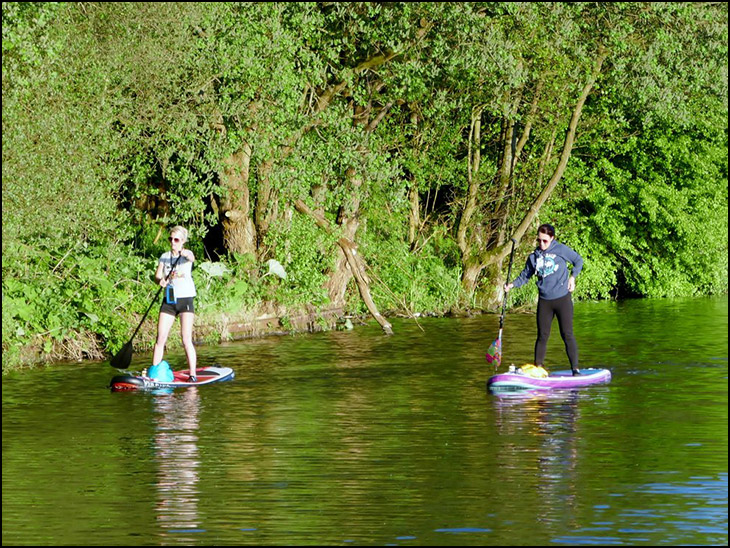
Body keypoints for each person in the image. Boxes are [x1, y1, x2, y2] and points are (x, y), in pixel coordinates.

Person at [504, 224, 584, 375]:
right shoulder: (534, 256)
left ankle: (575, 369)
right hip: (545, 301)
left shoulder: (560, 250)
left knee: (567, 334)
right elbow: (525, 275)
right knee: (542, 335)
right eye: (539, 240)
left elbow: (578, 260)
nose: (542, 244)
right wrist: (512, 285)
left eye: (545, 241)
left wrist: (573, 277)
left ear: (552, 238)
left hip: (562, 299)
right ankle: (537, 369)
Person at [152, 226, 197, 381]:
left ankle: (192, 374)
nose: (173, 242)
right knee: (160, 338)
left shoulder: (186, 255)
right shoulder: (164, 257)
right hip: (169, 301)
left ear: (183, 241)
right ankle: (154, 373)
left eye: (176, 240)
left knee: (185, 338)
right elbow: (157, 276)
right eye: (170, 239)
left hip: (185, 300)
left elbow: (192, 257)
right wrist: (160, 281)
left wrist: (184, 252)